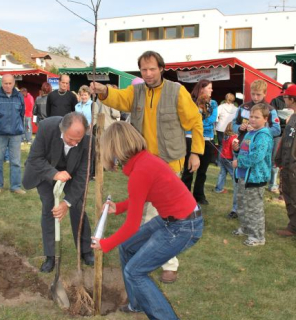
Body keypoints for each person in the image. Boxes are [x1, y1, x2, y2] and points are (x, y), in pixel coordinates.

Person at [90, 50, 204, 284]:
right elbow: (120, 98)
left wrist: (196, 152)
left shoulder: (176, 91)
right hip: (142, 164)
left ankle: (165, 263)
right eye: (144, 69)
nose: (148, 73)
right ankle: (146, 258)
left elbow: (195, 121)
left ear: (162, 68)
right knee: (145, 211)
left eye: (152, 69)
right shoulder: (137, 91)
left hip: (169, 163)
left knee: (157, 215)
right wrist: (104, 92)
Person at [91, 121, 203, 320]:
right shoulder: (144, 161)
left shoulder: (140, 171)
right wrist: (120, 207)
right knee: (127, 248)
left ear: (114, 148)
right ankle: (138, 303)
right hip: (173, 219)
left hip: (184, 226)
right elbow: (145, 195)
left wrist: (105, 244)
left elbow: (132, 226)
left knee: (135, 271)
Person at [22, 112, 94, 272]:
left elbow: (83, 174)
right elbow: (35, 159)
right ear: (62, 129)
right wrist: (54, 174)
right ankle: (50, 255)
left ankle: (85, 250)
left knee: (77, 205)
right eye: (70, 139)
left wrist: (66, 202)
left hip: (72, 171)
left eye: (78, 140)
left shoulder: (88, 141)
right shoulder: (47, 127)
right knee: (49, 207)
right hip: (46, 169)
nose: (75, 144)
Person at [232, 104, 273, 246]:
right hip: (243, 175)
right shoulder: (250, 133)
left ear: (265, 119)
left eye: (257, 117)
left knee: (254, 208)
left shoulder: (263, 136)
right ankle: (245, 228)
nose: (253, 120)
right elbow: (245, 151)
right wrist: (236, 150)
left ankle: (258, 237)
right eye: (251, 116)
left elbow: (257, 157)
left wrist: (239, 162)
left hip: (255, 178)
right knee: (243, 204)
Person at [0, 74, 26, 195]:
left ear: (14, 83)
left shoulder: (19, 96)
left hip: (15, 134)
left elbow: (21, 113)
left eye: (10, 83)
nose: (8, 86)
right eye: (5, 83)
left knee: (16, 161)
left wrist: (18, 127)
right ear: (1, 83)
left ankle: (16, 186)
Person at [181, 80, 218, 205]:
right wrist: (197, 121)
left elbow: (211, 120)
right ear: (201, 88)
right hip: (190, 138)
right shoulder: (190, 101)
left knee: (202, 171)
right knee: (188, 169)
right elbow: (186, 119)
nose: (211, 90)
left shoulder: (213, 103)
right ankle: (184, 195)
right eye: (209, 88)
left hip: (207, 139)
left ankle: (199, 195)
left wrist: (196, 122)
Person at [275, 84, 296, 236]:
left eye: (286, 97)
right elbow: (285, 140)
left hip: (294, 166)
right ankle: (293, 226)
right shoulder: (292, 117)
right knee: (288, 194)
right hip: (287, 165)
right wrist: (279, 159)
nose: (283, 99)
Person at [269, 82, 294, 193]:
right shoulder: (276, 101)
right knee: (276, 159)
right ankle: (273, 184)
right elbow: (272, 116)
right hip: (280, 134)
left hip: (291, 135)